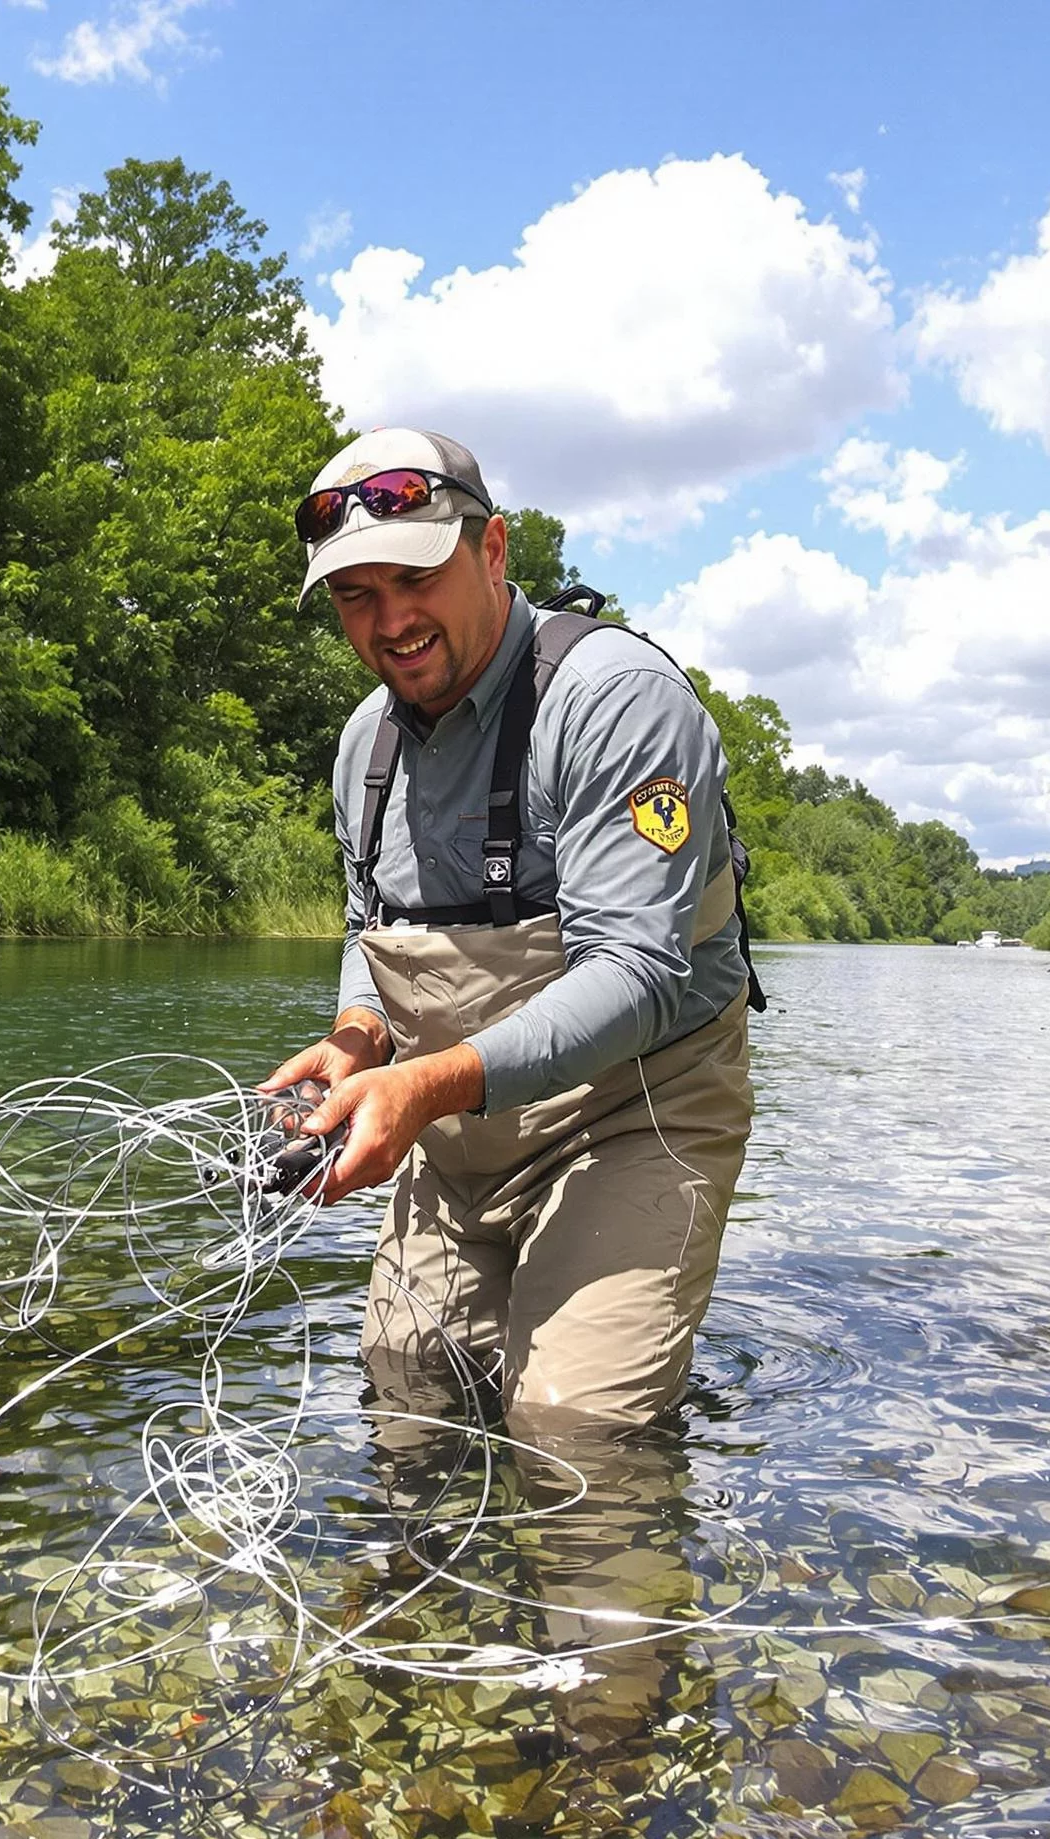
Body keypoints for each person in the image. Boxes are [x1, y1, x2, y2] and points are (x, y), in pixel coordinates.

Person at [264, 427, 757, 1433]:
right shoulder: (362, 745)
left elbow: (637, 972)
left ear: (490, 552)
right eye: (355, 594)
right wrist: (358, 1037)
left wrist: (417, 1086)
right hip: (453, 1137)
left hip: (636, 1115)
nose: (390, 620)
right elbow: (369, 931)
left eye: (415, 576)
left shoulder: (614, 700)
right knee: (407, 1395)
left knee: (575, 1427)